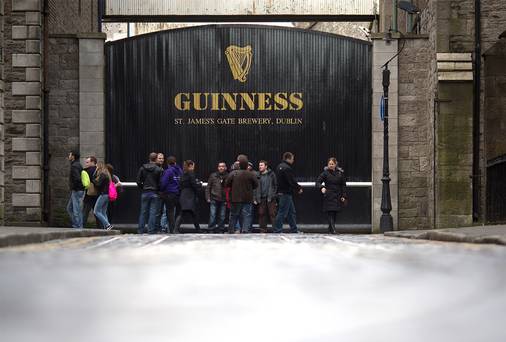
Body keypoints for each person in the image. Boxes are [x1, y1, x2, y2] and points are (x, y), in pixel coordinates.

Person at [225, 154, 258, 234]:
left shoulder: (233, 173)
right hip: (247, 198)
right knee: (246, 215)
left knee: (233, 215)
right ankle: (245, 230)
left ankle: (231, 230)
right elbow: (256, 185)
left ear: (238, 164)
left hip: (235, 198)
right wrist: (249, 188)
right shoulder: (251, 174)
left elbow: (227, 184)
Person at [316, 158, 347, 234]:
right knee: (330, 213)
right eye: (329, 164)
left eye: (332, 164)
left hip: (337, 196)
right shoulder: (325, 173)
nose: (331, 165)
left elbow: (343, 185)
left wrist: (344, 195)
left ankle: (330, 229)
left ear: (335, 164)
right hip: (329, 195)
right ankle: (333, 230)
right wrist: (322, 187)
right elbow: (318, 182)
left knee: (334, 213)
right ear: (327, 164)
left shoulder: (340, 173)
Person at [274, 152, 302, 233]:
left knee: (291, 212)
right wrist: (298, 188)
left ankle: (294, 229)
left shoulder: (279, 166)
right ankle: (277, 230)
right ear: (288, 158)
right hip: (286, 193)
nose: (293, 160)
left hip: (281, 193)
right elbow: (291, 181)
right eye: (292, 159)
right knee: (282, 212)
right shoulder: (287, 168)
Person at [136, 152, 163, 234]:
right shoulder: (159, 169)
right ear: (156, 159)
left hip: (145, 192)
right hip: (154, 193)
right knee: (153, 213)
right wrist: (157, 189)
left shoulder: (142, 168)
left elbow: (138, 181)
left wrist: (143, 187)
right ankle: (150, 231)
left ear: (149, 158)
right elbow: (160, 183)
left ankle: (140, 230)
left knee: (143, 212)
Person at [175, 160, 202, 233]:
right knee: (186, 212)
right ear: (190, 166)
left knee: (190, 213)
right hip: (189, 195)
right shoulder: (191, 173)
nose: (194, 167)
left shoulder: (183, 174)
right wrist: (200, 184)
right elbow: (194, 184)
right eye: (193, 166)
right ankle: (176, 229)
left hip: (183, 194)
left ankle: (198, 229)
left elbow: (180, 185)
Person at [160, 156, 183, 233]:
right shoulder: (180, 171)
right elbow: (181, 182)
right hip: (178, 194)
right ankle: (176, 229)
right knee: (178, 212)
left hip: (169, 194)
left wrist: (161, 191)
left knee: (170, 213)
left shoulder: (168, 171)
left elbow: (163, 183)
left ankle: (172, 229)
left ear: (168, 164)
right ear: (175, 162)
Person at [254, 160, 277, 233]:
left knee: (272, 214)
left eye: (261, 165)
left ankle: (276, 229)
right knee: (261, 214)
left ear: (266, 166)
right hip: (261, 198)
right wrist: (255, 198)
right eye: (259, 165)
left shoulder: (271, 174)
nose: (260, 167)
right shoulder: (257, 175)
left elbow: (275, 185)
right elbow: (254, 187)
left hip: (270, 197)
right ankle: (263, 230)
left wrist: (273, 194)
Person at [206, 162, 228, 233]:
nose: (221, 168)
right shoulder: (213, 175)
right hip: (214, 198)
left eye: (222, 166)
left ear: (225, 168)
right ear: (218, 168)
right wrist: (208, 197)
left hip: (224, 198)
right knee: (212, 215)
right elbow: (208, 187)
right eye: (219, 166)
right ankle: (211, 229)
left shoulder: (228, 176)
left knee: (222, 216)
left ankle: (221, 229)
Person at [92, 161, 113, 230]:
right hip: (107, 195)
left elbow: (98, 184)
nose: (96, 167)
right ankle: (106, 227)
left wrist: (93, 180)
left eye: (97, 166)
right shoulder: (106, 174)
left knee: (96, 211)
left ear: (99, 166)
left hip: (103, 194)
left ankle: (107, 225)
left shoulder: (102, 174)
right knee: (103, 212)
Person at [67, 150, 84, 228]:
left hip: (77, 190)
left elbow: (77, 178)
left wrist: (74, 187)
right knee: (69, 208)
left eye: (70, 155)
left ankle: (78, 226)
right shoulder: (78, 164)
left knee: (76, 209)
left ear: (73, 156)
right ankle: (76, 225)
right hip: (78, 190)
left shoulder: (74, 166)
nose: (69, 156)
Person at [82, 156, 100, 228]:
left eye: (87, 162)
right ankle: (100, 228)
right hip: (97, 195)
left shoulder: (86, 171)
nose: (86, 164)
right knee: (97, 213)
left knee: (84, 213)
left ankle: (81, 227)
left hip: (89, 195)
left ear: (93, 162)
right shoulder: (99, 170)